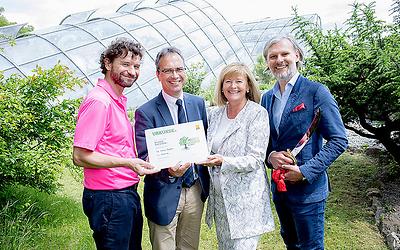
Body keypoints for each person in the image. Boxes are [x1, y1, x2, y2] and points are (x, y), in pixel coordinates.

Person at [260, 35, 348, 249]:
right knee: (291, 243)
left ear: (296, 56)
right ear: (267, 62)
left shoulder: (316, 92)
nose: (279, 60)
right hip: (280, 190)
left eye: (284, 54)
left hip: (309, 192)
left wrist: (305, 171)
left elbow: (339, 140)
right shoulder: (266, 98)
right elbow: (265, 142)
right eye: (273, 56)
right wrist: (270, 156)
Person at [72, 37, 159, 250]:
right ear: (108, 63)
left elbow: (114, 146)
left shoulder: (115, 100)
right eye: (125, 64)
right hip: (110, 198)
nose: (132, 71)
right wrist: (129, 163)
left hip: (123, 194)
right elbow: (80, 156)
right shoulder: (99, 101)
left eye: (136, 66)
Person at [134, 46, 209, 250]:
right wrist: (168, 170)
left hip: (194, 189)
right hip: (163, 192)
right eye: (167, 70)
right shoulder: (146, 112)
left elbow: (204, 142)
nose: (175, 75)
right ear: (158, 74)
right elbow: (144, 156)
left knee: (189, 247)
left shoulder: (198, 104)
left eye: (179, 69)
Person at [201, 62, 275, 250]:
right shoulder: (215, 115)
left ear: (248, 86)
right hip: (220, 200)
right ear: (222, 86)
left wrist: (223, 161)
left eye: (239, 81)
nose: (233, 86)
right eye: (228, 81)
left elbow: (255, 158)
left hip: (246, 202)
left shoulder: (257, 114)